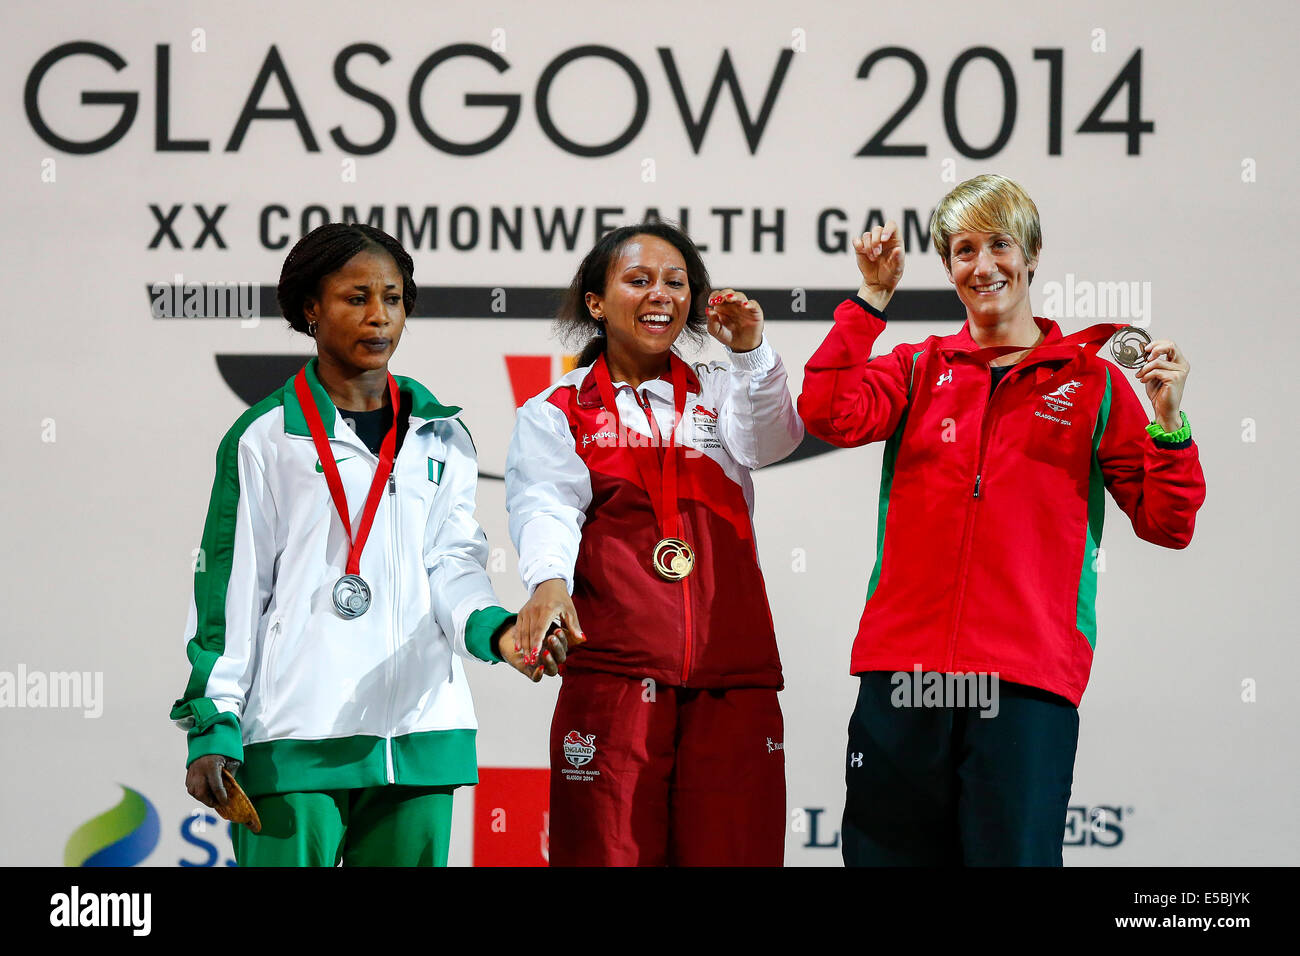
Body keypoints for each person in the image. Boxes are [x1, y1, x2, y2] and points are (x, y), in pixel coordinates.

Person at [798, 174, 1206, 866]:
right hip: (904, 671)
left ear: (1033, 254)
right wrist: (870, 303)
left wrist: (1170, 423)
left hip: (1023, 680)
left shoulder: (1093, 384)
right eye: (962, 250)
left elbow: (1169, 523)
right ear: (949, 267)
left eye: (999, 245)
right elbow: (826, 412)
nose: (982, 266)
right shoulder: (919, 366)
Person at [171, 222, 563, 867]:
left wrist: (497, 631)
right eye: (356, 298)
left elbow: (452, 565)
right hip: (294, 738)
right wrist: (214, 723)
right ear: (310, 309)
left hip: (419, 736)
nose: (378, 316)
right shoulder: (265, 438)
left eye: (393, 298)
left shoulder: (442, 436)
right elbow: (231, 593)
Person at [505, 221, 804, 866]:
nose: (659, 295)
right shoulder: (558, 409)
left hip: (733, 673)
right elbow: (545, 504)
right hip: (616, 673)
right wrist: (549, 581)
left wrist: (751, 352)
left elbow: (775, 441)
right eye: (637, 281)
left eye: (675, 283)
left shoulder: (722, 391)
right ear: (596, 301)